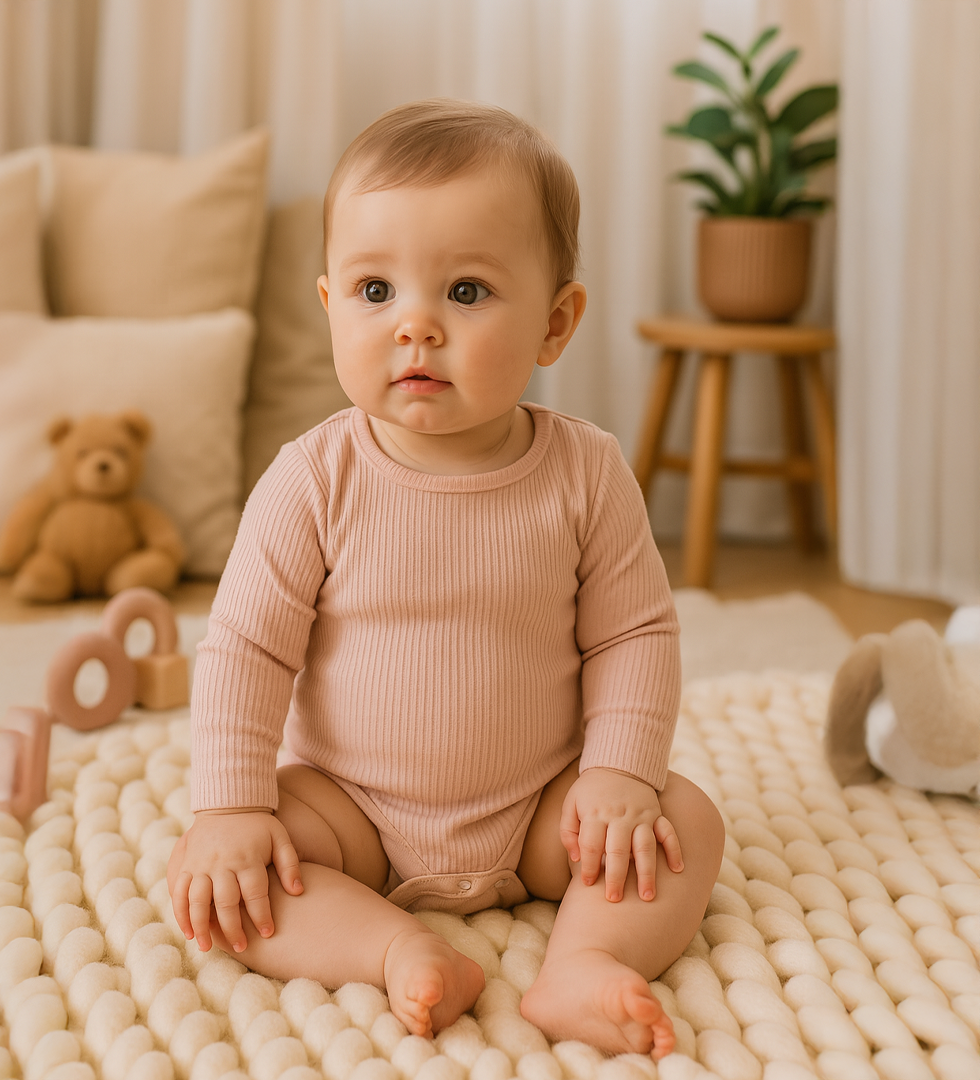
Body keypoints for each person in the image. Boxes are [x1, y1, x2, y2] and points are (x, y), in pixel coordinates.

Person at [168, 99, 725, 1059]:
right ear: (331, 305)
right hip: (352, 815)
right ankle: (393, 948)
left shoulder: (586, 473)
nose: (415, 326)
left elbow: (633, 636)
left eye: (466, 293)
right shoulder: (313, 478)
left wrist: (619, 777)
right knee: (227, 880)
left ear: (555, 323)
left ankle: (585, 961)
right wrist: (230, 806)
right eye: (376, 291)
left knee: (683, 823)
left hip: (546, 807)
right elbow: (246, 651)